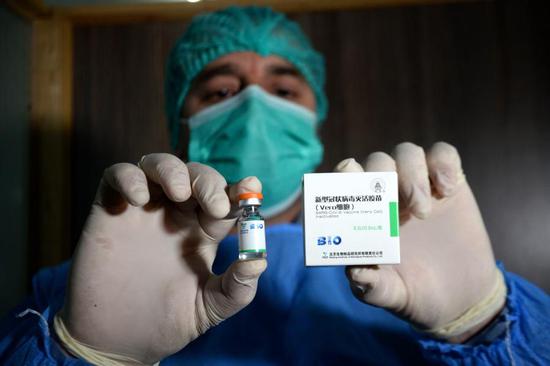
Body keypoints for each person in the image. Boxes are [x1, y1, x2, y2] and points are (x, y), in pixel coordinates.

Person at [1, 6, 548, 365]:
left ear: (316, 118)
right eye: (219, 92)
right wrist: (86, 353)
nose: (256, 108)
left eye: (284, 91)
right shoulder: (84, 286)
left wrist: (480, 326)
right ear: (179, 120)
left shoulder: (410, 260)